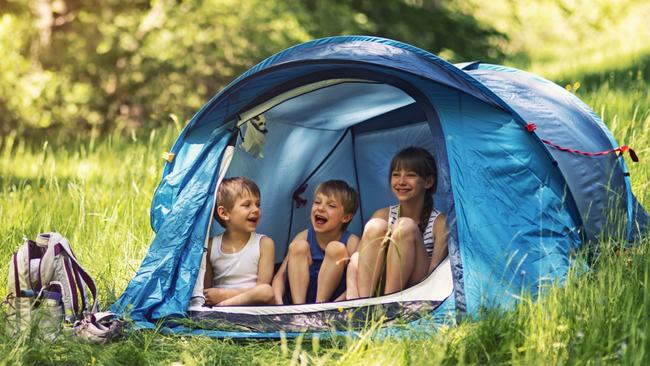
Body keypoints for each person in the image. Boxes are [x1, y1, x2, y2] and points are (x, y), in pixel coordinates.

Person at [347, 147, 448, 299]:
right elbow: (358, 263)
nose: (401, 181)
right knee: (374, 227)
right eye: (396, 175)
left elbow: (435, 272)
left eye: (410, 175)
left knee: (404, 227)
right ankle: (364, 306)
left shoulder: (439, 222)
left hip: (418, 286)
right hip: (376, 286)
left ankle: (390, 305)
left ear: (428, 182)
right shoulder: (382, 215)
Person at [272, 180, 360, 304]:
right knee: (298, 247)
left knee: (336, 249)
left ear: (346, 217)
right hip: (299, 301)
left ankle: (319, 307)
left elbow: (358, 283)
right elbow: (280, 276)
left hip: (330, 305)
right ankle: (299, 310)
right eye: (317, 202)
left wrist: (338, 305)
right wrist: (278, 303)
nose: (320, 208)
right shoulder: (303, 236)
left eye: (331, 206)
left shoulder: (352, 242)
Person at [203, 177, 275, 306]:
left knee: (266, 291)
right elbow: (207, 292)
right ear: (224, 213)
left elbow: (262, 289)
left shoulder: (264, 244)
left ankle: (223, 307)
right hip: (218, 299)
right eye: (247, 205)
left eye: (258, 204)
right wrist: (214, 295)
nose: (255, 210)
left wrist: (224, 295)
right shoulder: (210, 246)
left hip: (251, 303)